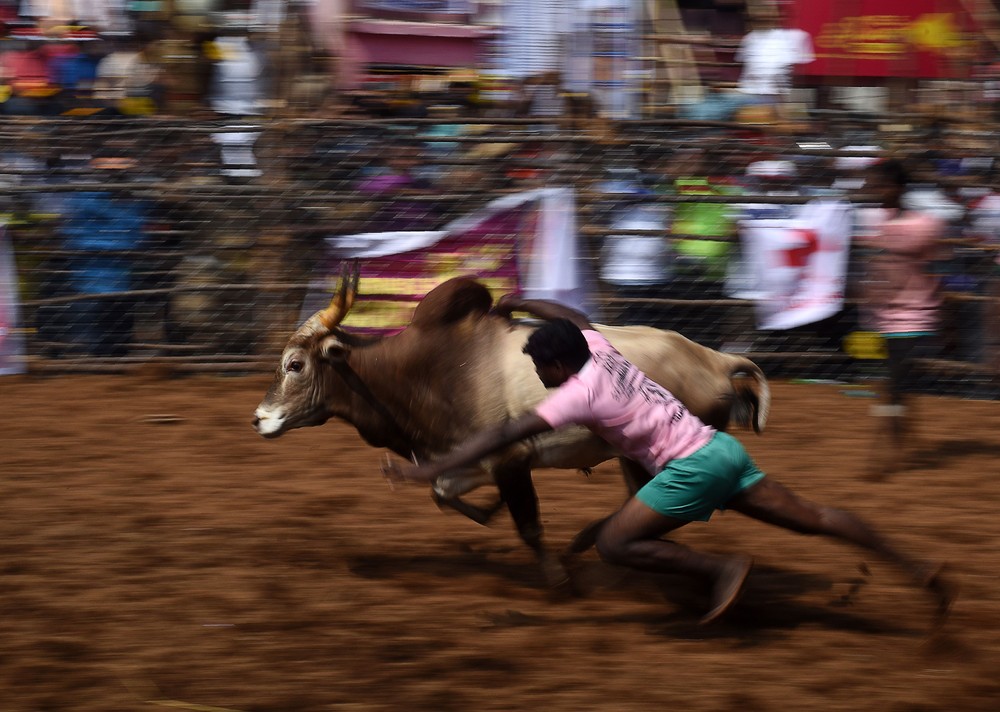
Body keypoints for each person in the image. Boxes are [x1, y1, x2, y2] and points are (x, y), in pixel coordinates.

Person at [382, 294, 952, 625]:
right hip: (720, 450)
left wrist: (425, 470)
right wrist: (529, 301)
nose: (537, 376)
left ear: (558, 366)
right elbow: (577, 318)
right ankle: (917, 569)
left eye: (540, 367)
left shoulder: (578, 392)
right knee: (817, 516)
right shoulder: (599, 348)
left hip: (691, 469)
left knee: (615, 545)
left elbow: (499, 438)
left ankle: (720, 570)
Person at [859, 159, 945, 476]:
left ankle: (881, 457)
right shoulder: (876, 222)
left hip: (914, 318)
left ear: (898, 188)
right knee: (896, 388)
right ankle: (903, 441)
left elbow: (934, 267)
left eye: (879, 184)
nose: (873, 191)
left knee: (892, 386)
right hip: (884, 317)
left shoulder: (924, 225)